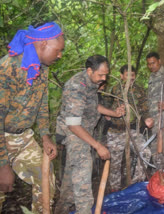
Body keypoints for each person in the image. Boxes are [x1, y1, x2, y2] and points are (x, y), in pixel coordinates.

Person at [0, 22, 64, 213]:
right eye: (58, 50)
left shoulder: (42, 69)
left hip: (23, 139)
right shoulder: (8, 67)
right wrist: (3, 165)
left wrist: (45, 136)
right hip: (2, 138)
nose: (60, 55)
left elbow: (42, 104)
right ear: (43, 44)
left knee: (45, 177)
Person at [54, 55, 125, 214]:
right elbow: (73, 124)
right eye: (101, 75)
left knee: (71, 177)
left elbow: (94, 106)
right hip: (74, 133)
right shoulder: (76, 86)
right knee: (83, 178)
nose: (104, 78)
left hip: (83, 131)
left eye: (106, 74)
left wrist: (114, 113)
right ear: (89, 70)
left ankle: (61, 209)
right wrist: (98, 145)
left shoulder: (91, 83)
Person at [105, 64, 153, 191]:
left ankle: (136, 185)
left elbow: (144, 108)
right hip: (116, 131)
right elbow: (104, 106)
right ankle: (114, 191)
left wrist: (147, 118)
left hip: (133, 130)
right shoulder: (114, 89)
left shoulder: (140, 90)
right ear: (121, 76)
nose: (131, 78)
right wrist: (109, 114)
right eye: (128, 75)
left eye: (133, 75)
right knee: (114, 163)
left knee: (145, 152)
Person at [146, 52, 164, 162]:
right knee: (154, 147)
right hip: (153, 119)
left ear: (159, 61)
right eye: (149, 64)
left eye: (153, 63)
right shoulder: (151, 77)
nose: (151, 66)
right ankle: (156, 173)